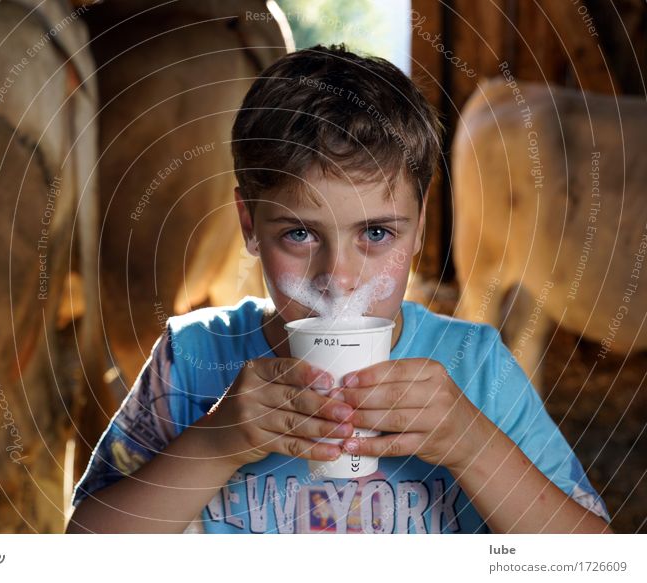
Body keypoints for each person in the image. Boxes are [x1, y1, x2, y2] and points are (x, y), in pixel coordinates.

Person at [66, 44, 611, 534]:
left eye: (376, 233)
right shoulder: (190, 360)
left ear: (419, 229)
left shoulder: (476, 367)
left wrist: (473, 446)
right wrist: (216, 443)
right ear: (250, 226)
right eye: (299, 234)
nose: (339, 277)